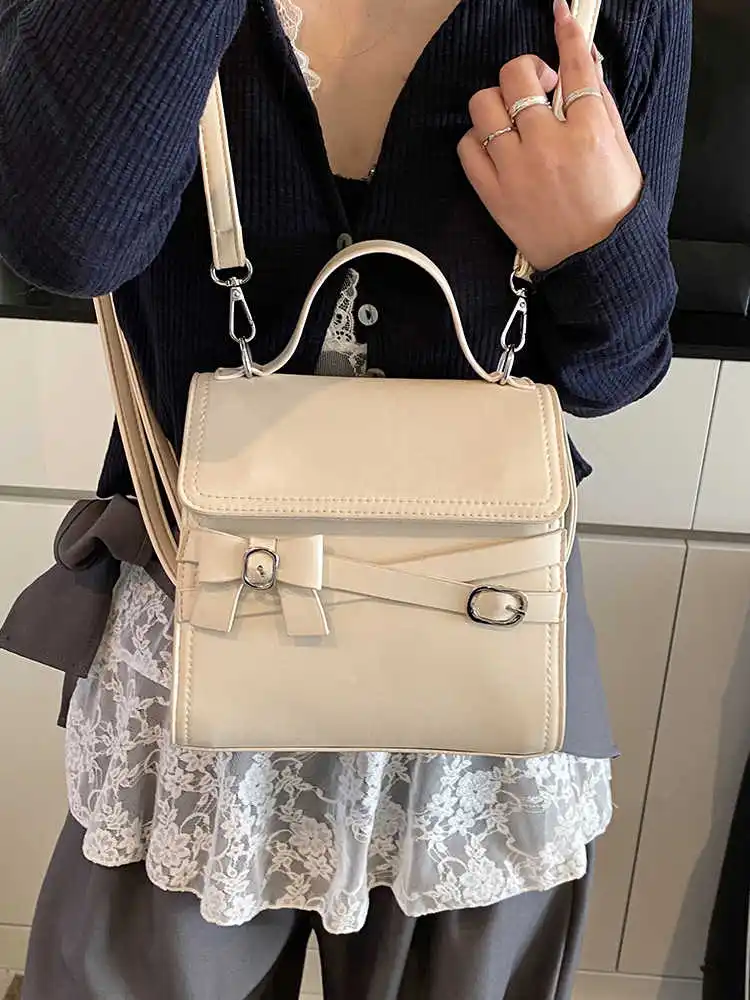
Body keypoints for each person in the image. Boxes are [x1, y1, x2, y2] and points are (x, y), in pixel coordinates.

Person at [0, 0, 691, 997]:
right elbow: (66, 242)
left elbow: (610, 369)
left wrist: (595, 238)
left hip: (482, 652)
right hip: (197, 641)